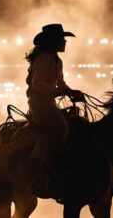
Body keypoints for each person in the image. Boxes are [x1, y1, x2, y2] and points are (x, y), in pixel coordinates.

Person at [25, 24, 84, 161]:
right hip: (39, 104)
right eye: (62, 38)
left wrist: (71, 92)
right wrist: (63, 91)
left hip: (48, 104)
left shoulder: (57, 60)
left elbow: (61, 84)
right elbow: (38, 85)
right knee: (60, 127)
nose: (65, 41)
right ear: (52, 41)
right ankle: (41, 159)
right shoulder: (43, 59)